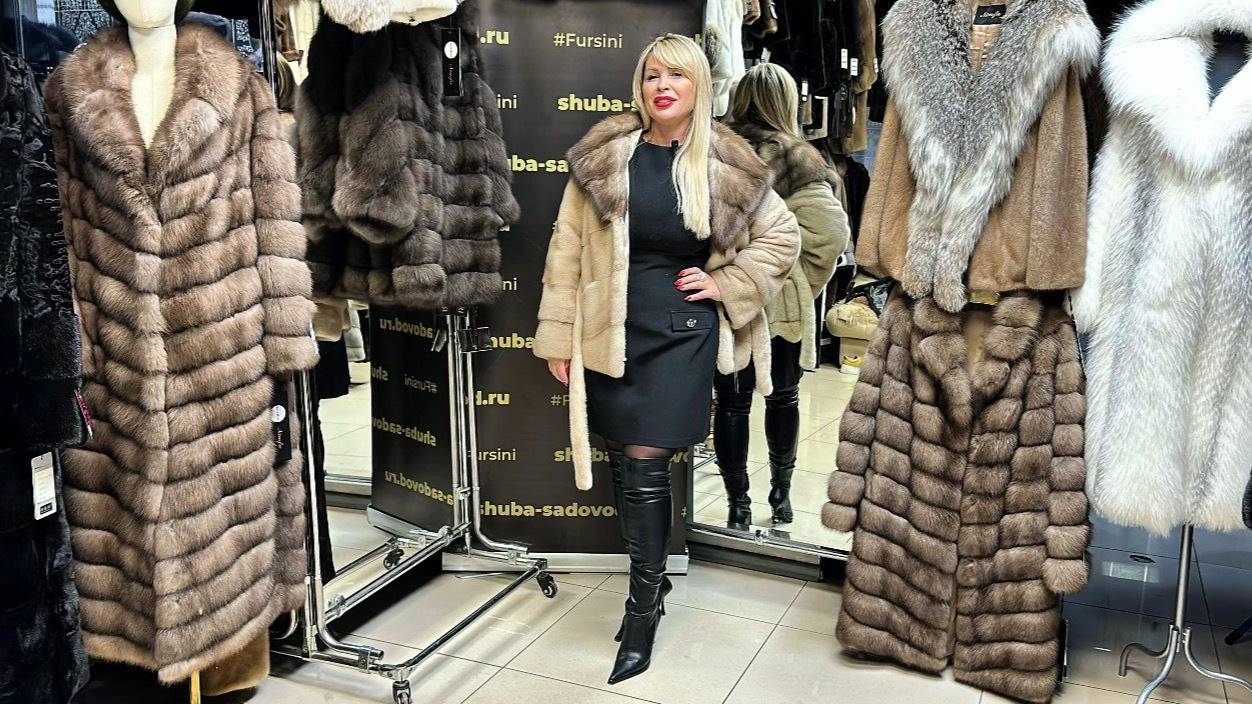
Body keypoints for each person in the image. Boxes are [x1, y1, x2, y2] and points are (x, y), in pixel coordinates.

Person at [533, 35, 799, 685]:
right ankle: (652, 584)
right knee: (625, 466)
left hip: (681, 335)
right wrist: (559, 336)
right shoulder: (607, 155)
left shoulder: (724, 159)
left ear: (698, 84)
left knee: (648, 466)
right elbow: (567, 249)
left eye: (676, 75)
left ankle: (641, 608)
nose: (663, 86)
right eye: (653, 75)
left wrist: (728, 284)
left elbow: (783, 234)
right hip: (611, 331)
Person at [716, 63, 850, 526]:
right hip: (780, 306)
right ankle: (781, 495)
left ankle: (737, 505)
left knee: (732, 402)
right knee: (783, 398)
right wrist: (794, 282)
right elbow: (830, 235)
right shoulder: (801, 159)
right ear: (789, 103)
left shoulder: (712, 148)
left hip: (724, 298)